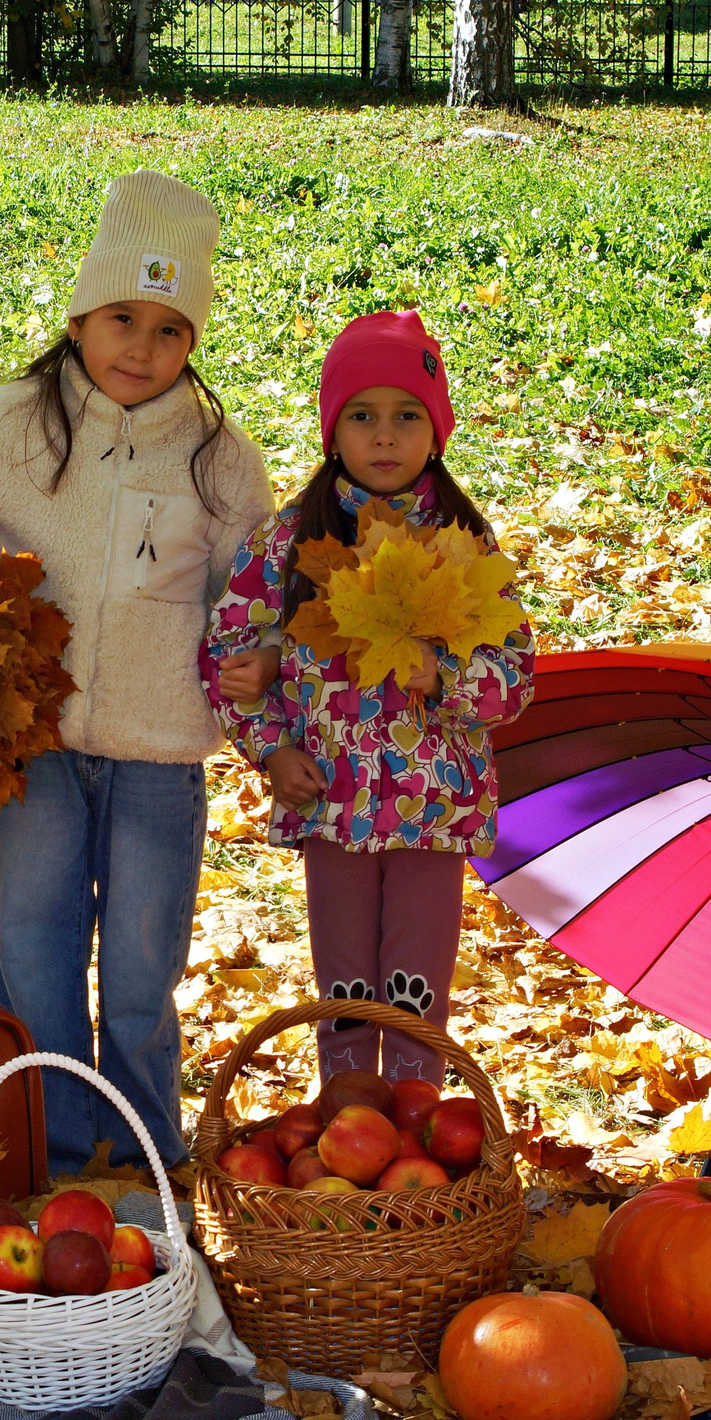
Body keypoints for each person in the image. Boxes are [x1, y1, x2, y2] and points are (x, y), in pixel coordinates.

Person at [0, 172, 273, 1173]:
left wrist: (254, 652)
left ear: (196, 339)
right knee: (35, 954)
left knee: (141, 964)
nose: (141, 348)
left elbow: (254, 589)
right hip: (36, 746)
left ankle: (140, 1153)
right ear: (80, 314)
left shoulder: (220, 461)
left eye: (170, 329)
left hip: (160, 753)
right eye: (121, 319)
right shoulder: (15, 426)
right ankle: (47, 1151)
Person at [203, 310, 534, 1085]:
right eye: (362, 415)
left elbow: (516, 677)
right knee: (346, 984)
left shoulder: (463, 545)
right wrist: (272, 747)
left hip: (431, 807)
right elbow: (226, 652)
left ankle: (417, 1122)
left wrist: (444, 678)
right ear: (333, 431)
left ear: (436, 429)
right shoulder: (289, 543)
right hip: (330, 799)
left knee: (417, 987)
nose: (384, 436)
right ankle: (347, 1116)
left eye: (406, 416)